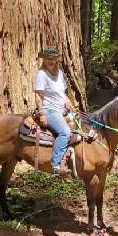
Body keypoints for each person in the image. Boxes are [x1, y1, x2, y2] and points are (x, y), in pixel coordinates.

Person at [34, 47, 74, 176]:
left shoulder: (60, 73)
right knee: (65, 132)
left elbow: (63, 93)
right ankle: (55, 165)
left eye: (53, 59)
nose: (51, 61)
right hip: (49, 110)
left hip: (62, 109)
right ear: (44, 60)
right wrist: (42, 114)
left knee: (79, 124)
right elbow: (38, 96)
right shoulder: (42, 74)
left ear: (57, 60)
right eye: (48, 59)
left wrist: (68, 101)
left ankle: (71, 158)